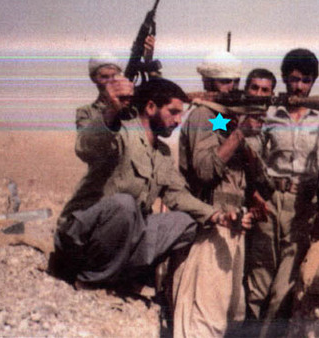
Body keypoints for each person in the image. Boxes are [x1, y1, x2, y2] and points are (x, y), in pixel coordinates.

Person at [52, 75, 236, 290]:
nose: (178, 121)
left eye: (181, 114)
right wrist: (111, 111)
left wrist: (217, 216)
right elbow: (87, 147)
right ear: (150, 107)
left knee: (185, 223)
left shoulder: (162, 152)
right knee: (124, 205)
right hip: (81, 235)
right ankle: (90, 280)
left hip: (121, 239)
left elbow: (177, 195)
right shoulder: (121, 131)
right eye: (173, 112)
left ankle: (121, 275)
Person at [248, 49, 319, 337]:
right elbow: (243, 144)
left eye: (306, 81)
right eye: (293, 79)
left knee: (283, 290)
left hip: (303, 207)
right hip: (268, 202)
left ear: (313, 82)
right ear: (285, 79)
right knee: (257, 285)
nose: (299, 86)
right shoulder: (270, 114)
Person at [172, 52, 264, 337]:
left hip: (232, 226)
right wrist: (240, 134)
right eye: (224, 82)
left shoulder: (219, 119)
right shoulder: (202, 115)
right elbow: (204, 170)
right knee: (204, 318)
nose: (231, 87)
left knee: (226, 312)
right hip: (210, 227)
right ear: (207, 81)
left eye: (235, 81)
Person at [75, 37, 158, 159]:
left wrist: (149, 65)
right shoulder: (87, 112)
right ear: (93, 79)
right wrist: (111, 111)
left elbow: (160, 102)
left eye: (114, 76)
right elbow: (85, 149)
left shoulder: (134, 105)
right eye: (104, 77)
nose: (110, 81)